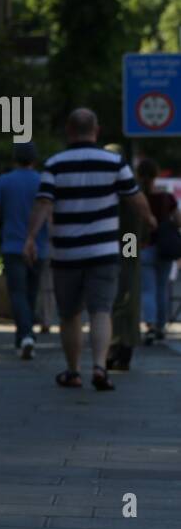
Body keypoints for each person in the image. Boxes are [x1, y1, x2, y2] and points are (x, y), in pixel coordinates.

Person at [23, 109, 156, 391]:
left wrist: (31, 238)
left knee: (70, 315)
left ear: (69, 131)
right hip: (104, 252)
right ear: (96, 129)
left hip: (67, 253)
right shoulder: (114, 162)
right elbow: (135, 199)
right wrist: (150, 219)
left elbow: (43, 204)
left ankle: (73, 371)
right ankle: (99, 367)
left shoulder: (55, 165)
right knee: (101, 311)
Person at [0, 142, 49, 359]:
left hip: (13, 246)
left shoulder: (4, 181)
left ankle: (25, 336)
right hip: (39, 246)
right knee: (31, 293)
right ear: (35, 160)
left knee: (17, 293)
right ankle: (25, 337)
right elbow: (51, 213)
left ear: (14, 159)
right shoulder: (43, 181)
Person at [107, 144, 143, 371]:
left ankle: (120, 347)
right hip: (122, 246)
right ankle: (118, 347)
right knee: (121, 298)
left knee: (123, 297)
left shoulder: (121, 186)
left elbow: (132, 224)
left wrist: (128, 252)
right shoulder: (124, 184)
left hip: (123, 247)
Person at [138, 158, 181, 343]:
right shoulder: (167, 197)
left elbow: (129, 228)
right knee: (162, 288)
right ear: (156, 175)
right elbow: (179, 220)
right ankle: (161, 326)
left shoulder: (136, 197)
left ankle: (150, 324)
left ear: (138, 174)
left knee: (147, 289)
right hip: (165, 248)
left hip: (142, 248)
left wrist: (128, 253)